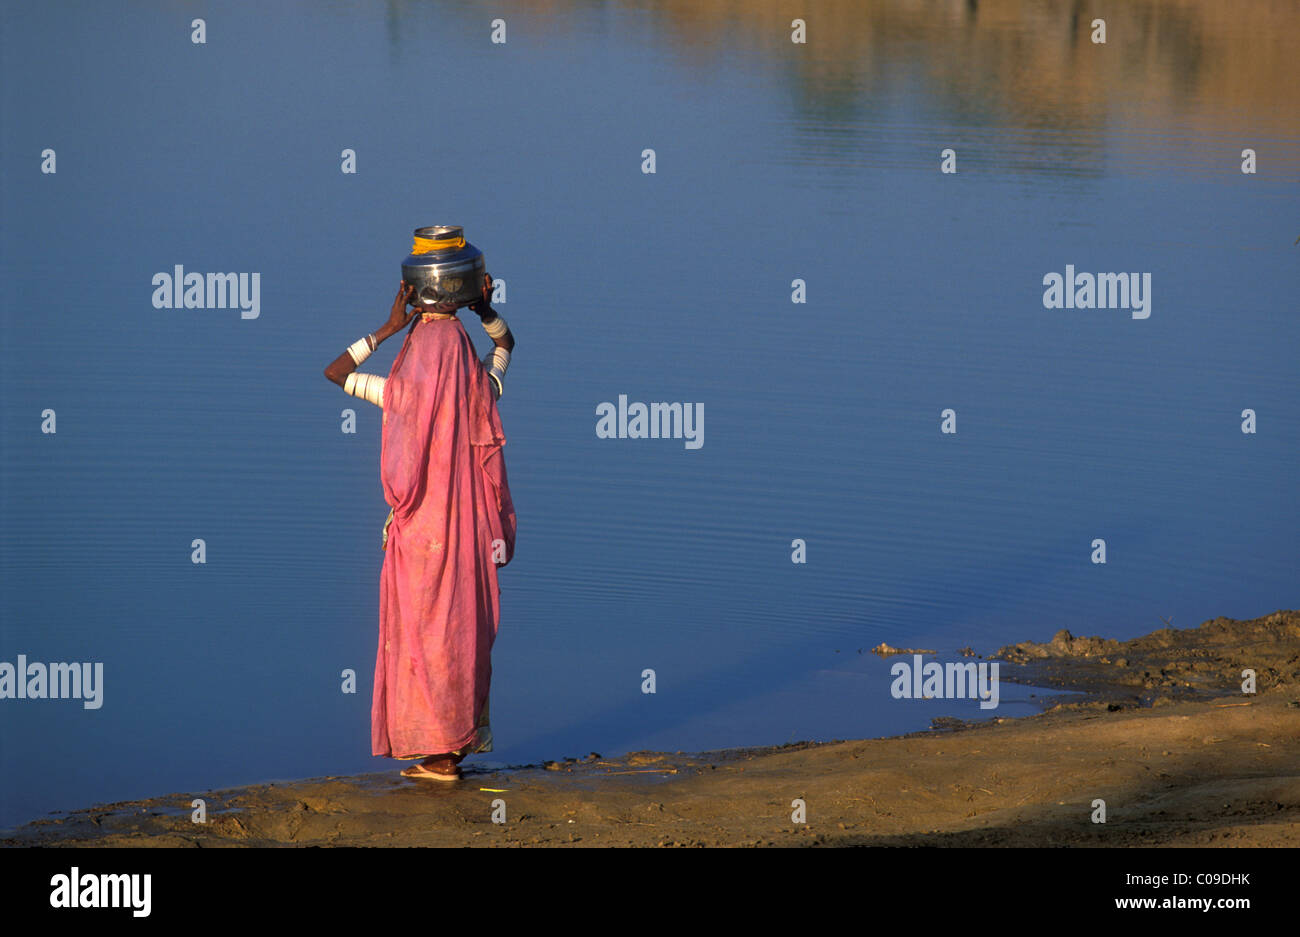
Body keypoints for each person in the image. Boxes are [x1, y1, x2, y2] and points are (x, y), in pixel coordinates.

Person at [323, 272, 517, 781]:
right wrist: (482, 311)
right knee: (458, 630)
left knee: (421, 636)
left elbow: (335, 372)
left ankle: (436, 754)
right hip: (471, 535)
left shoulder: (400, 394)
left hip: (418, 540)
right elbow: (505, 345)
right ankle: (449, 751)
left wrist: (386, 329)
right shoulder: (479, 392)